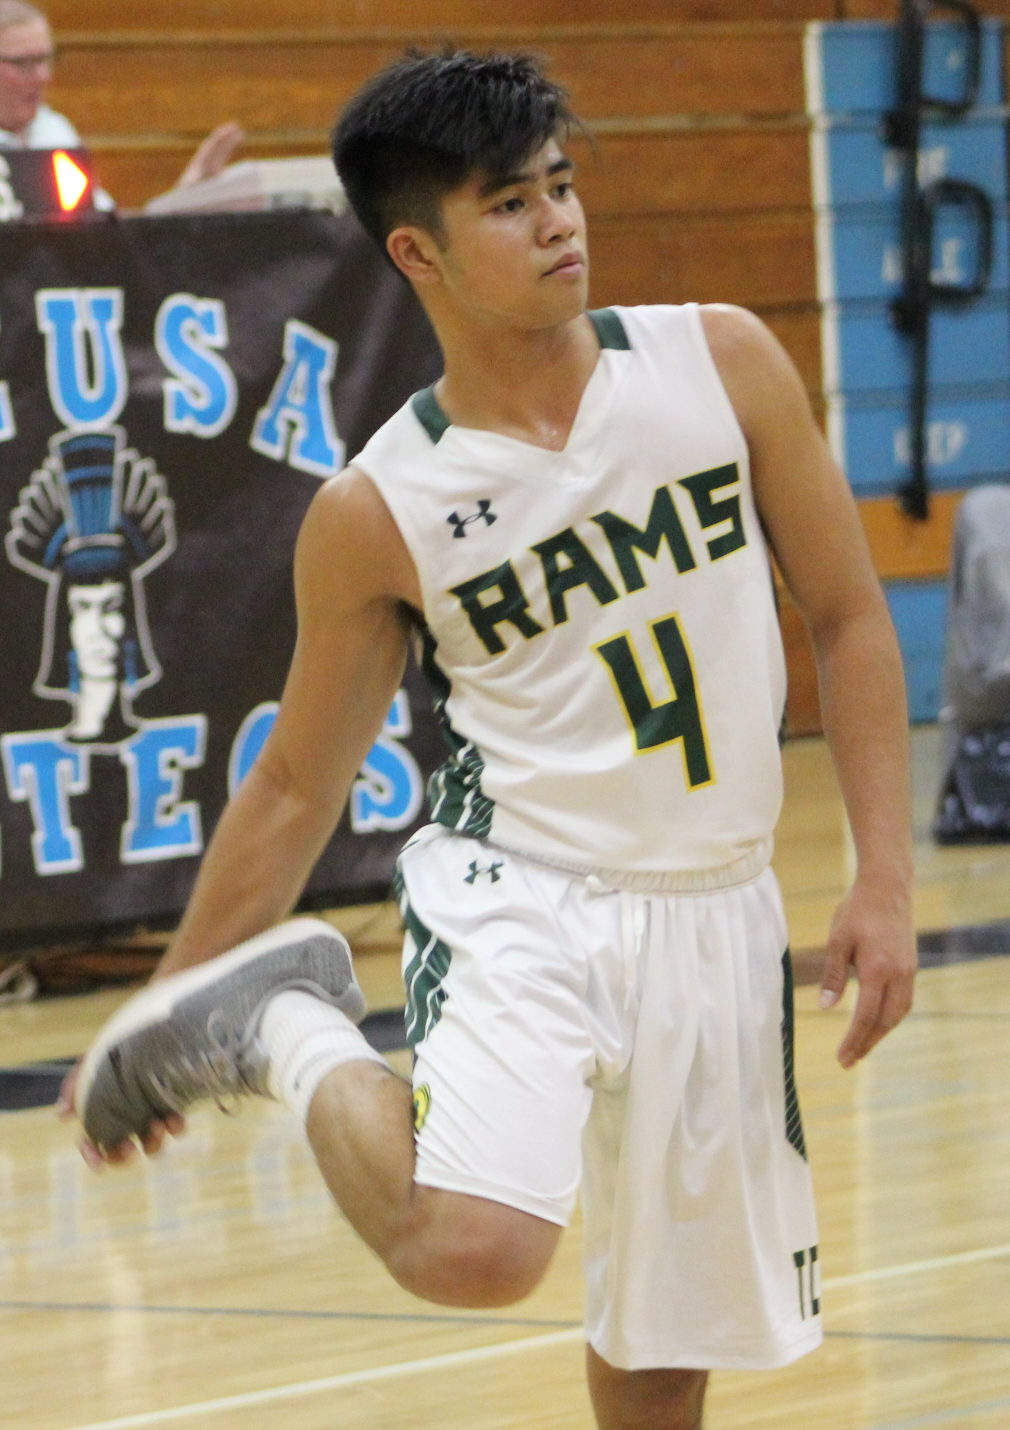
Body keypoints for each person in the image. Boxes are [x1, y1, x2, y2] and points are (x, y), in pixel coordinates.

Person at [64, 49, 917, 1430]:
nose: (558, 222)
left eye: (560, 185)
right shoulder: (377, 507)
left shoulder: (719, 362)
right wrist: (172, 1004)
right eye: (510, 204)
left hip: (717, 902)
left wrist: (882, 875)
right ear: (419, 251)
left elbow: (849, 616)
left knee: (666, 1349)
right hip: (523, 894)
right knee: (475, 1249)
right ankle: (284, 1025)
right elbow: (295, 782)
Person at [0, 0, 243, 196]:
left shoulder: (54, 132)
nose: (43, 77)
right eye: (23, 63)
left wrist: (188, 195)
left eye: (45, 60)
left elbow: (104, 229)